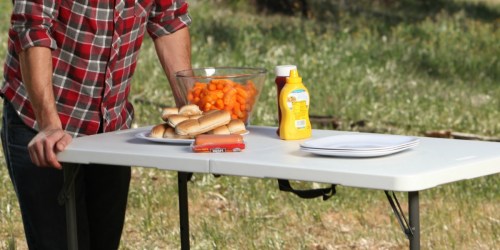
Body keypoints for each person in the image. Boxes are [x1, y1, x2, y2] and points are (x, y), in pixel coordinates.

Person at [1, 0, 192, 249]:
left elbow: (168, 20)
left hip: (111, 130)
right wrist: (48, 123)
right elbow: (32, 27)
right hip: (42, 125)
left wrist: (192, 112)